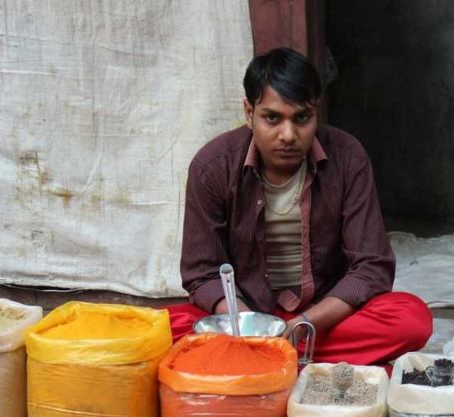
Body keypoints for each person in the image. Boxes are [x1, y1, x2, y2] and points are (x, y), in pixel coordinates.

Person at [167, 47, 432, 365]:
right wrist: (253, 328)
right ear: (249, 113)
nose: (288, 135)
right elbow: (201, 273)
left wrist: (300, 326)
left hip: (318, 316)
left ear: (316, 111)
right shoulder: (212, 167)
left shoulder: (348, 158)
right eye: (272, 118)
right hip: (245, 316)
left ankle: (261, 358)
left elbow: (371, 268)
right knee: (163, 328)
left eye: (302, 118)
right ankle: (282, 356)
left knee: (410, 319)